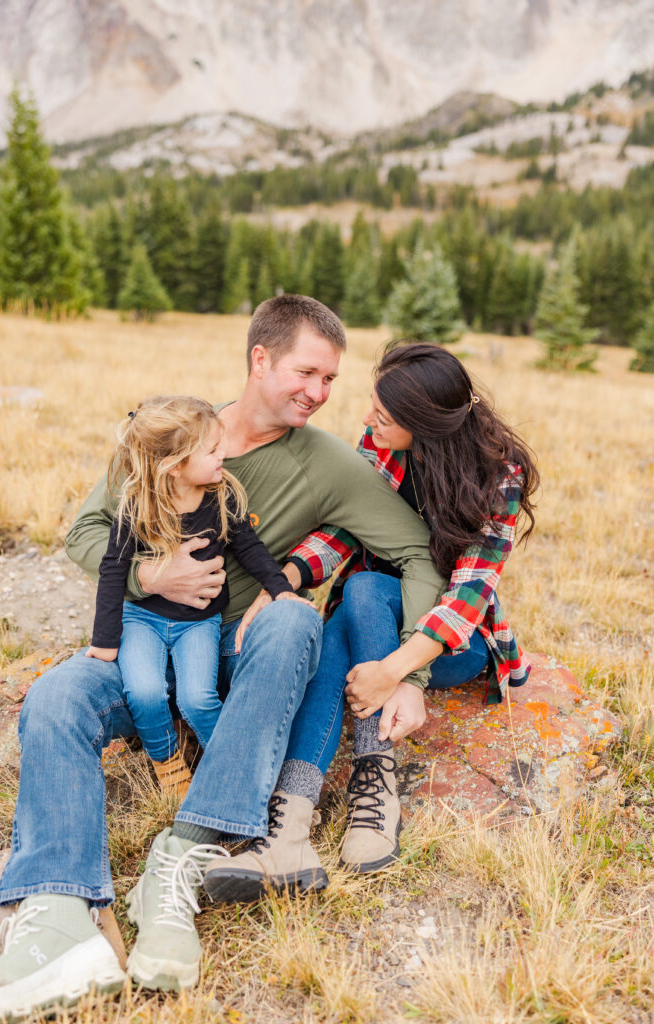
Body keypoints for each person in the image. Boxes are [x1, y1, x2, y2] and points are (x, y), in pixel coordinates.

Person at [0, 296, 444, 1019]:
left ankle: (183, 856)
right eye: (306, 372)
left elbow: (414, 550)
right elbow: (84, 531)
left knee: (291, 623)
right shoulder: (172, 433)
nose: (318, 394)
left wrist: (408, 665)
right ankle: (61, 917)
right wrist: (147, 576)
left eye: (329, 380)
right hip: (139, 639)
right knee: (60, 696)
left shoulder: (327, 463)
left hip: (237, 657)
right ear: (260, 359)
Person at [203, 341, 538, 897]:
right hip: (367, 620)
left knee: (361, 592)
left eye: (381, 416)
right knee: (349, 603)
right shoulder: (381, 447)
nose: (366, 420)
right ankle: (289, 833)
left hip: (454, 645)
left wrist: (403, 676)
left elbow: (469, 592)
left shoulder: (499, 472)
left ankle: (370, 787)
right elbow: (342, 529)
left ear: (425, 426)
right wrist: (282, 580)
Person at [88, 395, 298, 797]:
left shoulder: (222, 496)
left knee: (197, 698)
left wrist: (280, 589)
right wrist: (104, 640)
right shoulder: (137, 506)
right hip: (142, 621)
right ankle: (167, 762)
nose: (225, 455)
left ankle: (231, 767)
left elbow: (249, 548)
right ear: (174, 466)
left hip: (200, 623)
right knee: (146, 694)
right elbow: (113, 569)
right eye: (213, 450)